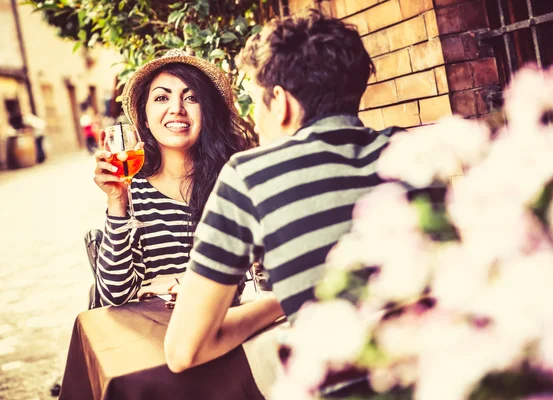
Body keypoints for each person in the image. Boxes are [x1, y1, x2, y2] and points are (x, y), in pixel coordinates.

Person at [164, 10, 398, 372]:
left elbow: (184, 352)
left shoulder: (251, 175)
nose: (255, 120)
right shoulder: (415, 152)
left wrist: (279, 301)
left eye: (256, 102)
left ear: (282, 103)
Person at [93, 49, 255, 306]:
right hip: (153, 336)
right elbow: (115, 295)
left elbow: (252, 274)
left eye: (191, 98)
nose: (176, 109)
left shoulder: (236, 182)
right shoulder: (135, 193)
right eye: (161, 98)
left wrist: (174, 282)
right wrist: (116, 201)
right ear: (144, 118)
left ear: (208, 113)